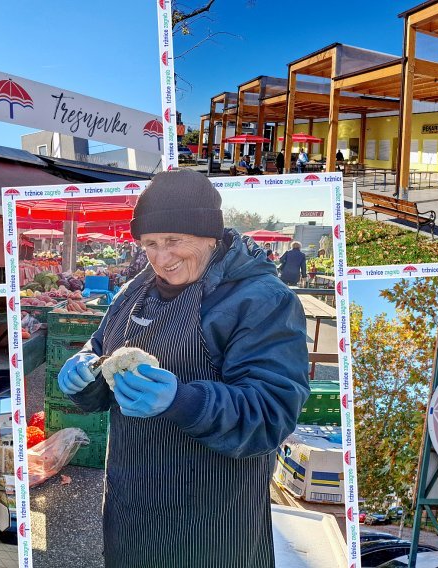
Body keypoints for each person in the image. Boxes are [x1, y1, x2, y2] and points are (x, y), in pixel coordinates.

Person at [58, 169, 309, 568]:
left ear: (211, 235)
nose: (161, 257)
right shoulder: (133, 290)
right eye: (150, 244)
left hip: (209, 524)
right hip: (130, 510)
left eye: (174, 241)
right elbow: (102, 350)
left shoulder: (262, 301)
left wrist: (183, 401)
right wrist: (85, 374)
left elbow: (271, 414)